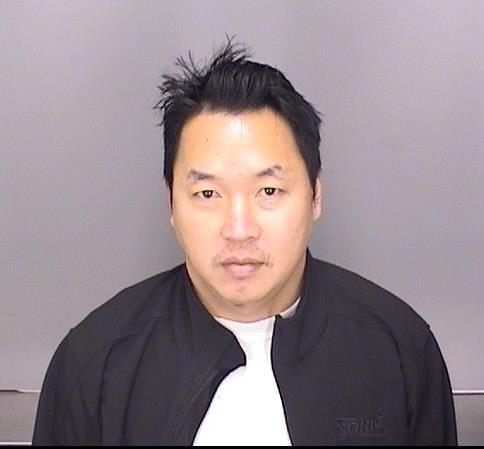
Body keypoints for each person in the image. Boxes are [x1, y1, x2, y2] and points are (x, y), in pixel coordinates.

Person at [32, 37, 457, 445]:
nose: (239, 229)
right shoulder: (93, 363)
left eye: (268, 191)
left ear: (315, 196)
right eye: (207, 194)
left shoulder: (399, 349)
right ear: (172, 204)